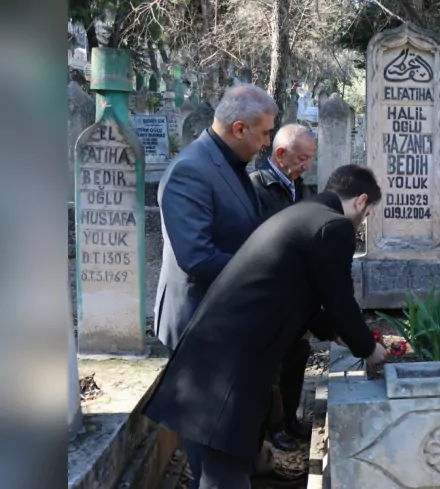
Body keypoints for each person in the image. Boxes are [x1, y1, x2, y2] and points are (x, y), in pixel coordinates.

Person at [143, 165, 389, 488]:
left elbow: (302, 292)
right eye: (369, 212)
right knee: (224, 480)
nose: (364, 221)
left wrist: (337, 332)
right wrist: (369, 349)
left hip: (212, 358)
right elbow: (339, 299)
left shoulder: (303, 213)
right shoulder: (334, 227)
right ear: (361, 201)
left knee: (218, 472)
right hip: (229, 372)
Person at [154, 83, 277, 351]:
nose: (268, 142)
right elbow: (197, 258)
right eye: (265, 133)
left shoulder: (228, 162)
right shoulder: (190, 171)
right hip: (197, 324)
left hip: (224, 316)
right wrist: (267, 272)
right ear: (240, 128)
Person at [248, 124, 317, 452]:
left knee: (296, 357)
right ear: (280, 154)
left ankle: (290, 418)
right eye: (303, 158)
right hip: (270, 295)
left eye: (310, 159)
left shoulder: (301, 188)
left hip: (297, 295)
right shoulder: (256, 188)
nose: (307, 166)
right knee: (272, 368)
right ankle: (273, 426)